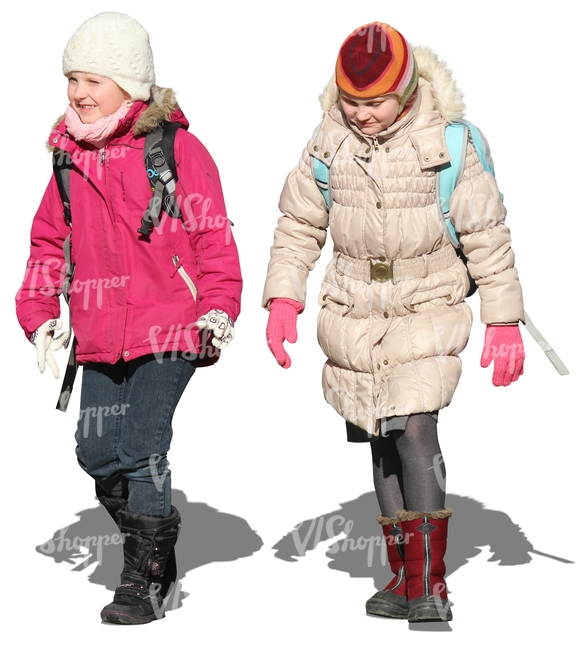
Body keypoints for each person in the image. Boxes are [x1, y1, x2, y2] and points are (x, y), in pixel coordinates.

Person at [263, 22, 524, 623]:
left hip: (425, 303)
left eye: (375, 102)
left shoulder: (445, 143)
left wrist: (502, 319)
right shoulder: (329, 139)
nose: (362, 115)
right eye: (351, 102)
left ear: (405, 92)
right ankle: (403, 578)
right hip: (354, 308)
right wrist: (284, 298)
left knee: (414, 431)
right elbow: (298, 223)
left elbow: (487, 235)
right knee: (379, 439)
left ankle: (431, 585)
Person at [15, 12, 242, 625]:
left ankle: (141, 579)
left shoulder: (176, 150)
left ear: (131, 87)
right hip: (98, 332)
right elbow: (48, 244)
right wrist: (38, 314)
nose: (78, 94)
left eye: (92, 80)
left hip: (172, 325)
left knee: (142, 446)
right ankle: (158, 537)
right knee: (95, 452)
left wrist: (219, 306)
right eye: (71, 81)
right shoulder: (68, 159)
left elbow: (214, 235)